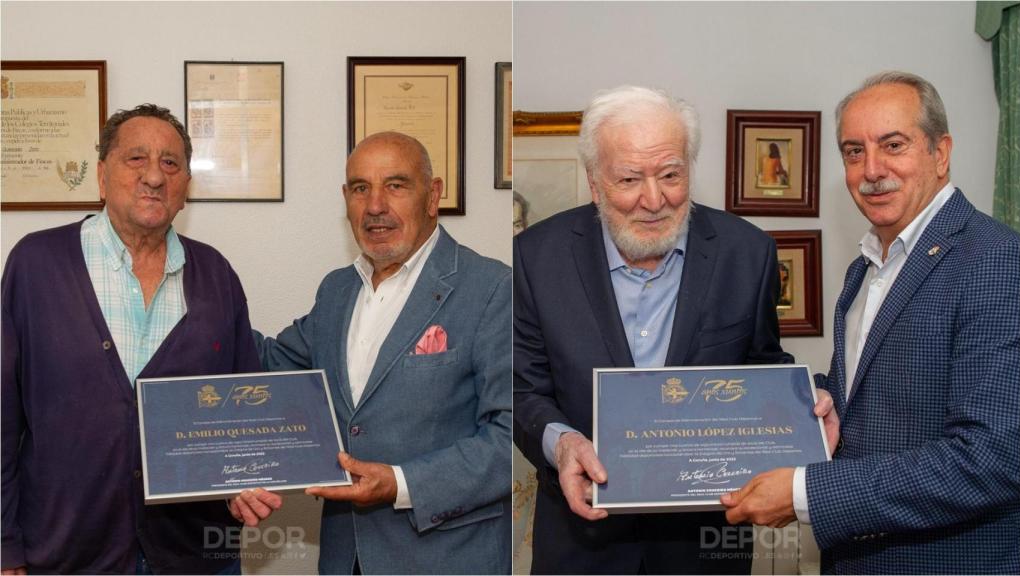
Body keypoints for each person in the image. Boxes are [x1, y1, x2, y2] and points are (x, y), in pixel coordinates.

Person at [513, 85, 828, 574]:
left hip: (703, 546)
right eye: (629, 179)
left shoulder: (747, 254)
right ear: (595, 183)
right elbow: (523, 390)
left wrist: (803, 403)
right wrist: (563, 443)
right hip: (582, 543)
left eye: (670, 175)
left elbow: (761, 366)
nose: (653, 200)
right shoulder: (536, 258)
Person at [721, 71, 1020, 574]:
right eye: (853, 151)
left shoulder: (997, 260)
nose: (871, 169)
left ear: (940, 152)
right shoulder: (867, 266)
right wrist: (818, 404)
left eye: (893, 145)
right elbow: (873, 403)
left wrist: (803, 492)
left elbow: (992, 458)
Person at [1, 104, 280, 574]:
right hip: (66, 552)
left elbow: (242, 410)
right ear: (102, 175)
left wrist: (244, 481)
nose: (154, 176)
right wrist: (4, 543)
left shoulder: (216, 275)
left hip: (194, 553)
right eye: (136, 159)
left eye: (170, 163)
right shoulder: (36, 264)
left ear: (186, 188)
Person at [256, 131, 512, 574]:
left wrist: (400, 483)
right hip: (345, 559)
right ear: (346, 199)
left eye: (395, 185)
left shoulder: (491, 288)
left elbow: (510, 437)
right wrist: (205, 307)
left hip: (448, 560)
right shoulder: (336, 290)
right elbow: (275, 365)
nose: (375, 206)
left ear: (432, 196)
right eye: (360, 188)